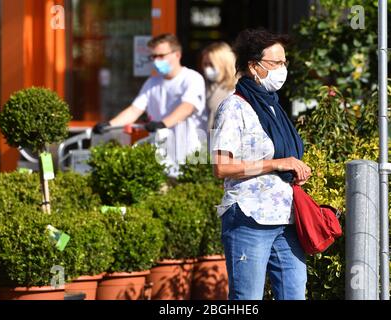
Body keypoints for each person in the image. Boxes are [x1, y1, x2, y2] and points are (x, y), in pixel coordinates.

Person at [211, 28, 312, 300]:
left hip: (286, 217)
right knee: (247, 299)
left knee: (294, 295)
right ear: (253, 66)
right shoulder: (234, 107)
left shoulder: (273, 106)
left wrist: (294, 169)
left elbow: (283, 157)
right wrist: (278, 163)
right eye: (276, 63)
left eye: (284, 62)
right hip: (249, 217)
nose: (283, 69)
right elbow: (222, 167)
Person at [93, 33, 207, 177]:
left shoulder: (192, 79)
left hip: (190, 156)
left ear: (177, 54)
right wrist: (109, 125)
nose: (156, 61)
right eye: (153, 57)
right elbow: (135, 110)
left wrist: (162, 124)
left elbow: (187, 108)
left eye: (161, 56)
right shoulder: (152, 82)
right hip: (162, 159)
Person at [200, 42, 237, 130]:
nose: (207, 68)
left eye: (211, 64)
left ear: (224, 64)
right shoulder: (206, 86)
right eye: (205, 64)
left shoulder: (236, 89)